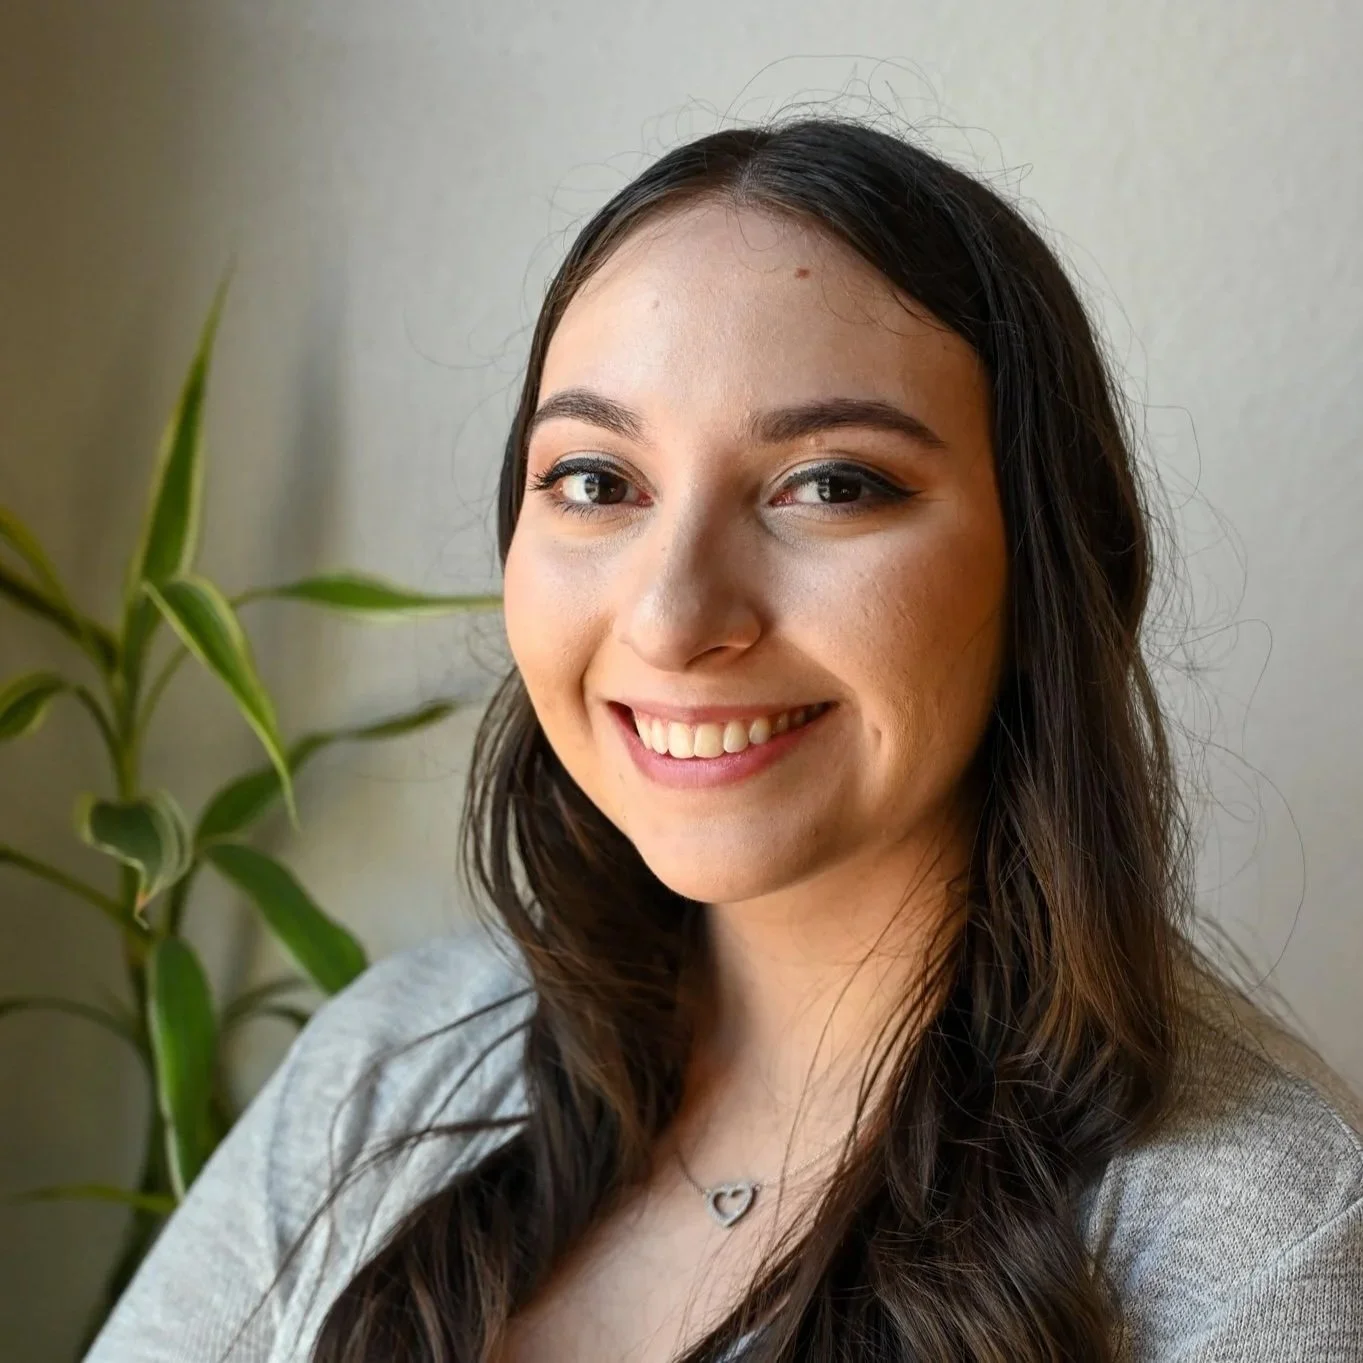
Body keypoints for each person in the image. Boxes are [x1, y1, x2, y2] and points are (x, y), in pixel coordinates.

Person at [85, 114, 1363, 1363]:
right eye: (596, 481)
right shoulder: (389, 1064)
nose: (674, 615)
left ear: (1045, 569)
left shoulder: (1251, 1220)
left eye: (831, 483)